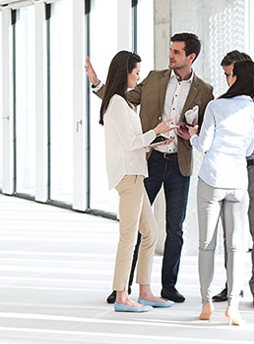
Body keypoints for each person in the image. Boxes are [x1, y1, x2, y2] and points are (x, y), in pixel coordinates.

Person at [86, 33, 214, 304]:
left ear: (190, 57)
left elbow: (205, 128)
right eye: (170, 50)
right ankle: (122, 289)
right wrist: (98, 84)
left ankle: (164, 286)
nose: (170, 55)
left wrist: (192, 131)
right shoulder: (153, 79)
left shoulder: (204, 90)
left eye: (176, 52)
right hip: (149, 160)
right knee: (133, 231)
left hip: (179, 161)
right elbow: (120, 98)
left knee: (170, 228)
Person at [178, 60, 254, 326]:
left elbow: (203, 145)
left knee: (207, 244)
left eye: (230, 74)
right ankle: (234, 307)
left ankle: (206, 304)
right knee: (236, 246)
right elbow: (249, 150)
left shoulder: (216, 106)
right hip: (238, 182)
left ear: (237, 77)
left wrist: (190, 135)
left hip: (212, 179)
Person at [99, 50, 180, 312]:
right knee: (129, 236)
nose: (138, 76)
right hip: (129, 175)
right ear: (125, 72)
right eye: (136, 72)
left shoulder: (124, 103)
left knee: (151, 233)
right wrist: (155, 131)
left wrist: (158, 139)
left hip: (136, 173)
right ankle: (122, 295)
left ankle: (144, 291)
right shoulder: (117, 103)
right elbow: (130, 142)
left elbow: (135, 141)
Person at [211, 51, 254, 309]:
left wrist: (243, 143)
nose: (228, 80)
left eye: (230, 74)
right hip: (232, 170)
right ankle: (232, 285)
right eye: (226, 75)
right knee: (231, 232)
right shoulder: (224, 103)